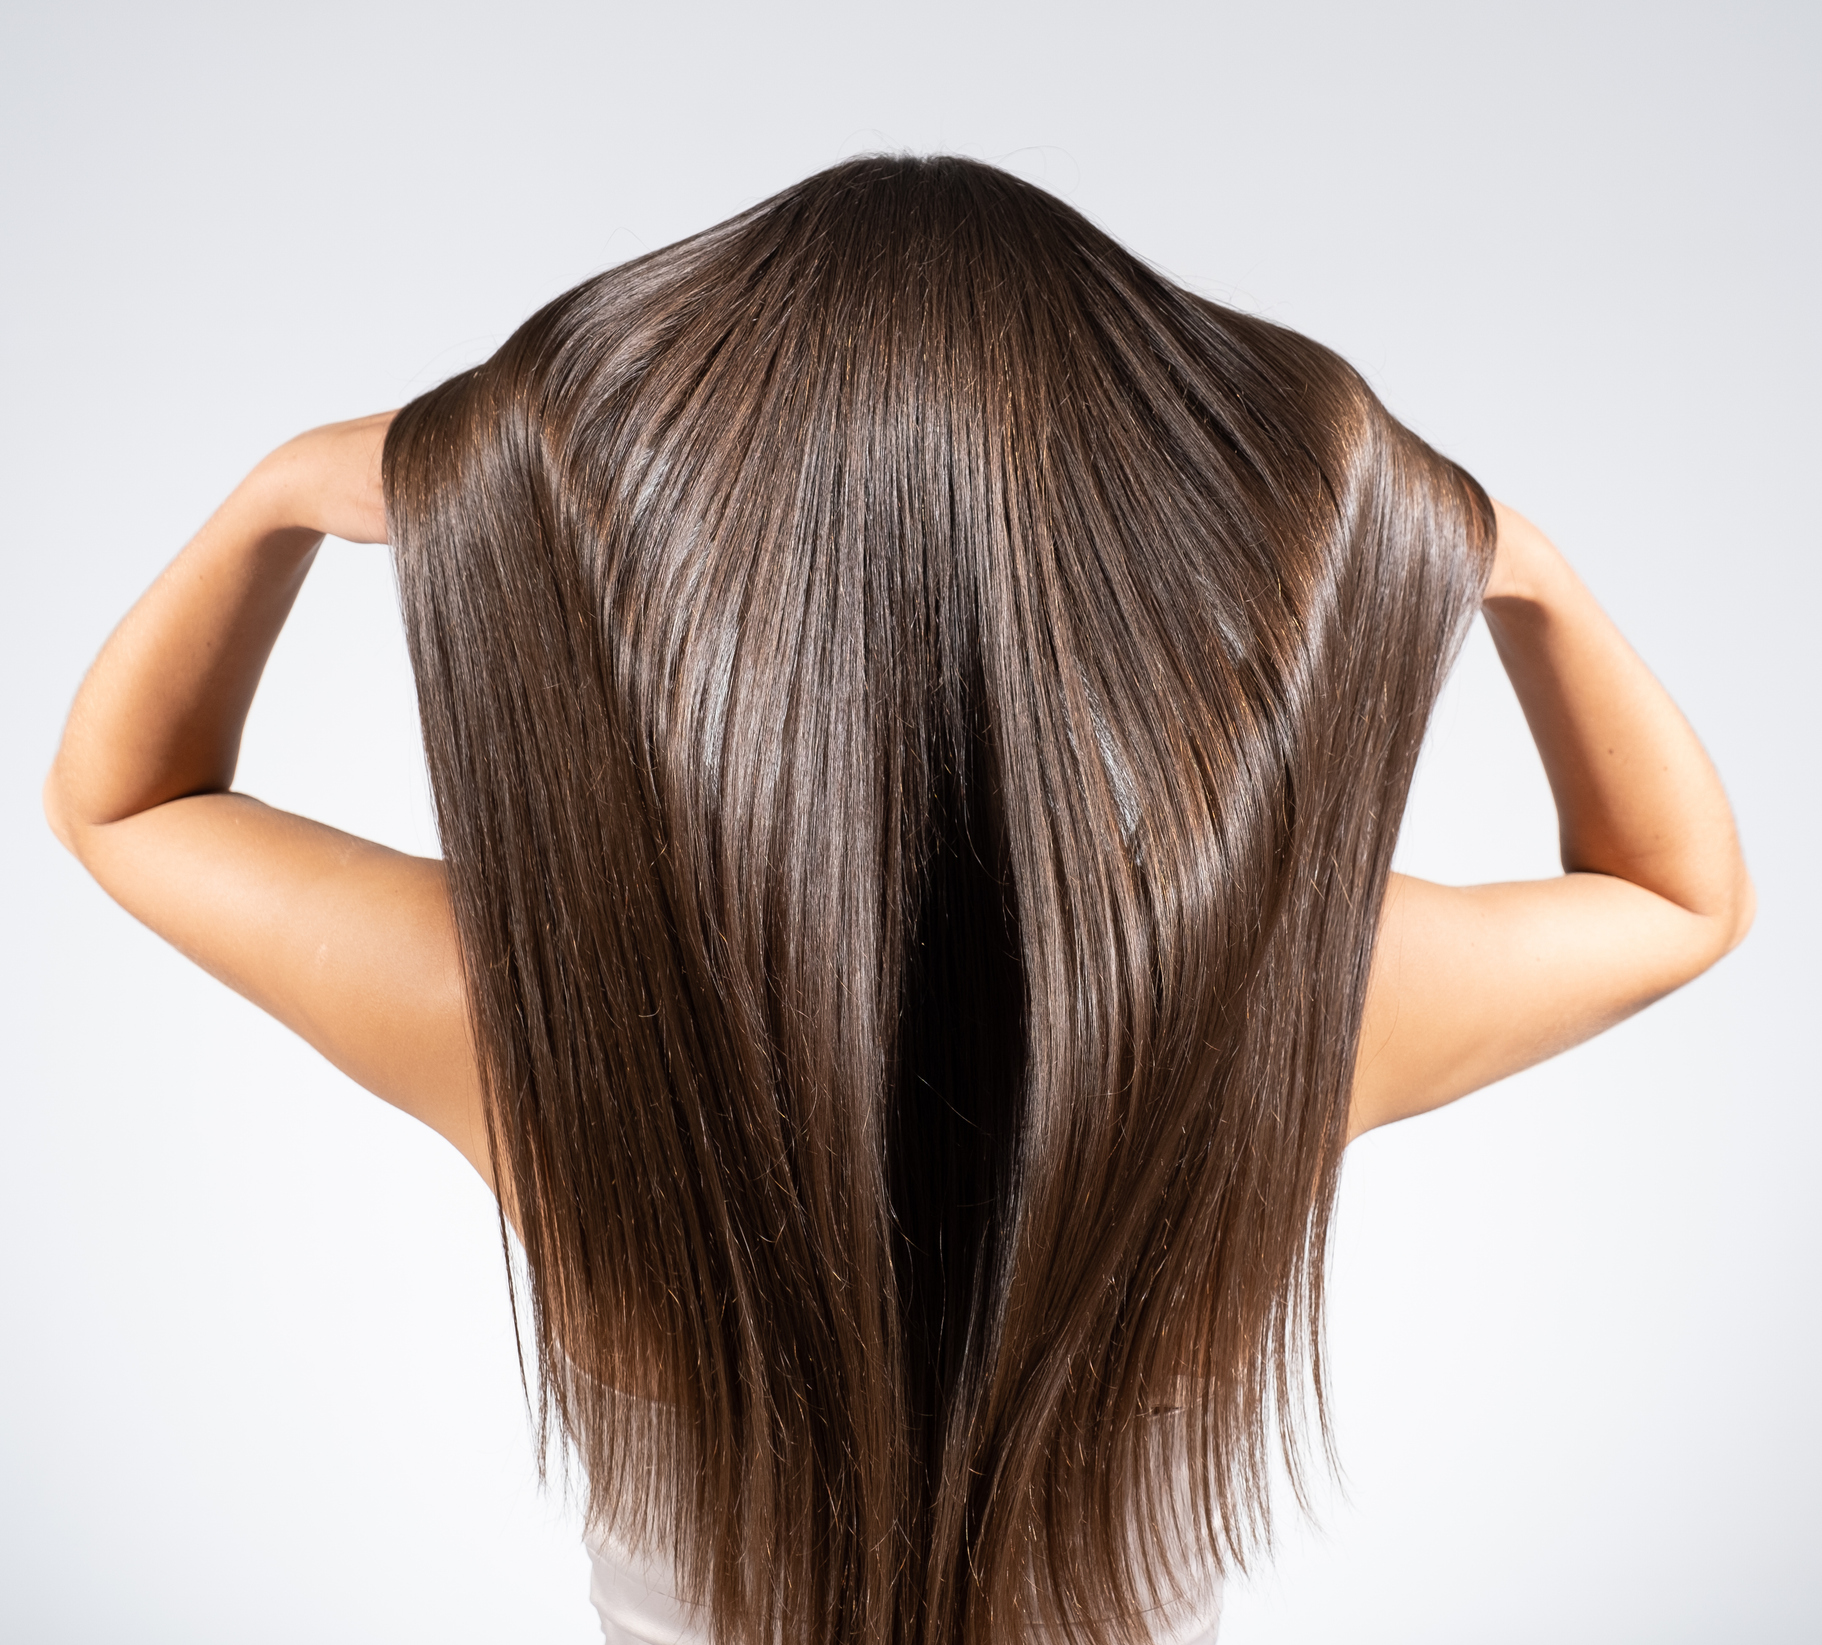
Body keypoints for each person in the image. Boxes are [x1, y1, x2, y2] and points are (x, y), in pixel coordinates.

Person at [43, 156, 1752, 1645]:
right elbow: (1676, 895)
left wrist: (287, 489)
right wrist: (1506, 558)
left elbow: (128, 799)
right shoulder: (1293, 1006)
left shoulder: (528, 1019)